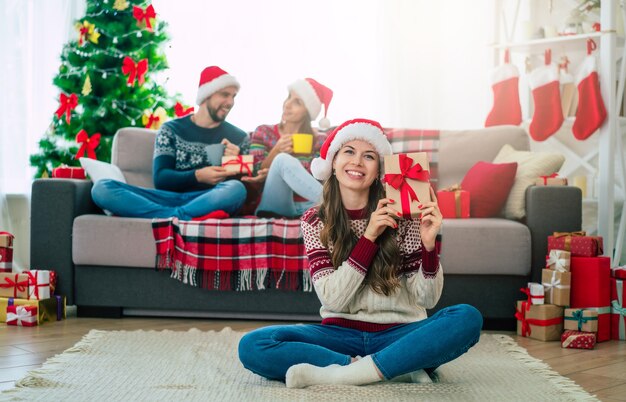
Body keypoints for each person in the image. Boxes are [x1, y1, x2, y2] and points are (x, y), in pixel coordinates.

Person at [238, 118, 482, 388]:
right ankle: (390, 368)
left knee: (466, 318)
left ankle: (344, 374)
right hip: (339, 334)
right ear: (333, 162)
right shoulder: (314, 220)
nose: (357, 162)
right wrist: (369, 238)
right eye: (349, 152)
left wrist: (428, 245)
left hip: (400, 333)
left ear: (379, 170)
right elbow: (334, 299)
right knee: (253, 344)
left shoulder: (405, 215)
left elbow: (426, 298)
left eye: (368, 156)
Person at [91, 66, 254, 220]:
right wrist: (197, 176)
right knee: (102, 188)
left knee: (235, 190)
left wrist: (236, 161)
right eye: (225, 95)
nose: (230, 102)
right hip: (164, 198)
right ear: (206, 96)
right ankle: (179, 216)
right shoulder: (171, 130)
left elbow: (246, 193)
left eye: (233, 96)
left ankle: (168, 218)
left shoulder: (238, 137)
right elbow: (161, 179)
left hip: (207, 200)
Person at [248, 78, 333, 218]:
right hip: (275, 203)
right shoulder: (263, 132)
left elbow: (325, 178)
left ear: (308, 111)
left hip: (309, 205)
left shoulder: (321, 140)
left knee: (285, 162)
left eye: (297, 102)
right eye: (289, 97)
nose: (287, 104)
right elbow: (254, 173)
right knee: (282, 160)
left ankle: (332, 205)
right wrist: (275, 152)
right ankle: (336, 205)